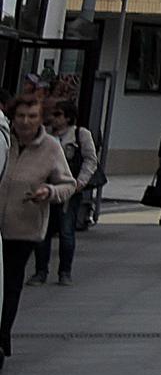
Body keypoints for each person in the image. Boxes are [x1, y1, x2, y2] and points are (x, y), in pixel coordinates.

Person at [2, 93, 76, 373]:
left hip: (24, 228)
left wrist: (49, 191)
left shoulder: (50, 147)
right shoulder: (4, 141)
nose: (25, 122)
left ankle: (1, 338)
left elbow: (68, 184)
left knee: (9, 285)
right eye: (20, 116)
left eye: (32, 116)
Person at [31, 101, 96, 286]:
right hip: (46, 187)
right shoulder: (45, 134)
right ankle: (40, 271)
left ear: (68, 117)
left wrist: (80, 181)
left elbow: (90, 160)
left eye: (58, 115)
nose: (54, 118)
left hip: (68, 189)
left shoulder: (79, 134)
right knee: (42, 231)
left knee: (66, 232)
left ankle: (64, 271)